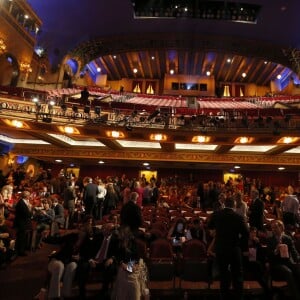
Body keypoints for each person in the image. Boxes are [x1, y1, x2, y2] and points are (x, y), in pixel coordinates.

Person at [208, 197, 249, 300]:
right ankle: (238, 297)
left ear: (224, 204)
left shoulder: (217, 215)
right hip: (234, 249)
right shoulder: (239, 217)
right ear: (234, 206)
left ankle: (224, 297)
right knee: (237, 276)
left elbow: (209, 226)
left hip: (221, 249)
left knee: (223, 275)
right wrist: (241, 245)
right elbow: (246, 234)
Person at [77, 222, 119, 299]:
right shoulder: (97, 237)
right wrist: (90, 260)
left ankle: (104, 292)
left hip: (105, 261)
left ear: (111, 231)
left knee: (111, 268)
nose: (103, 230)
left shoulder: (115, 240)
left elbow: (118, 253)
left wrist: (111, 259)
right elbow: (86, 249)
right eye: (103, 228)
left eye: (106, 229)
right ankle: (82, 292)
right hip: (94, 260)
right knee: (83, 266)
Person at [266, 219, 300, 300]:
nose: (273, 229)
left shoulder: (287, 238)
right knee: (288, 271)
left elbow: (294, 251)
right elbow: (268, 255)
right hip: (276, 264)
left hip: (287, 262)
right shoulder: (270, 240)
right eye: (272, 228)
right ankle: (296, 297)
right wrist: (275, 251)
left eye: (275, 227)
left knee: (298, 269)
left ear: (281, 228)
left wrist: (298, 259)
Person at [111, 226, 148, 300]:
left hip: (135, 263)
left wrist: (131, 266)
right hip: (123, 264)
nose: (118, 234)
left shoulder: (133, 242)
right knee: (122, 276)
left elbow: (136, 257)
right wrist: (122, 264)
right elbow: (117, 256)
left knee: (132, 280)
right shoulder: (118, 242)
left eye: (120, 233)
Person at [13, 190, 32, 256]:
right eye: (29, 195)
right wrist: (30, 208)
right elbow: (27, 214)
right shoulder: (21, 203)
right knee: (21, 237)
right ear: (26, 196)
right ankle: (21, 251)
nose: (30, 197)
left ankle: (21, 250)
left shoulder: (23, 202)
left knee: (22, 237)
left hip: (22, 222)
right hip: (21, 223)